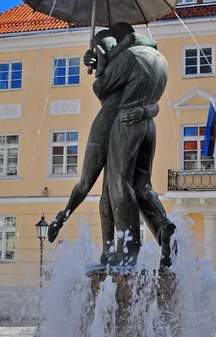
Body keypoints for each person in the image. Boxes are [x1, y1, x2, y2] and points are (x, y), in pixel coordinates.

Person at [47, 29, 159, 264]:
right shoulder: (132, 66)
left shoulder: (116, 71)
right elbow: (152, 103)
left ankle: (68, 221)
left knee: (95, 185)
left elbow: (102, 87)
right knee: (115, 190)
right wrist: (98, 62)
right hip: (131, 126)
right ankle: (111, 249)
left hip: (107, 127)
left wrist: (99, 67)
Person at [92, 22, 176, 268]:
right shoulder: (160, 59)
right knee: (142, 184)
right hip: (148, 122)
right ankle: (163, 226)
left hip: (127, 122)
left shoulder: (128, 56)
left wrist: (101, 63)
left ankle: (128, 249)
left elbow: (102, 88)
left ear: (118, 41)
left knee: (120, 182)